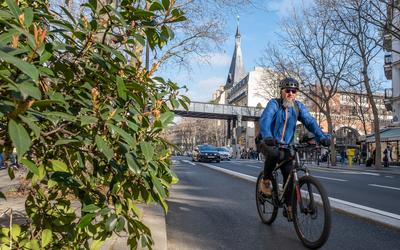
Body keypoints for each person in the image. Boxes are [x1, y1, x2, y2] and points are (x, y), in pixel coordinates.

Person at [255, 78, 331, 220]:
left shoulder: (298, 107)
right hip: (267, 141)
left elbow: (310, 122)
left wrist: (321, 137)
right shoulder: (274, 104)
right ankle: (265, 180)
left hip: (286, 145)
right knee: (274, 153)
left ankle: (289, 206)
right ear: (282, 91)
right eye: (287, 90)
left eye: (293, 91)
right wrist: (267, 135)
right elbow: (265, 119)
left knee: (289, 172)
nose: (290, 93)